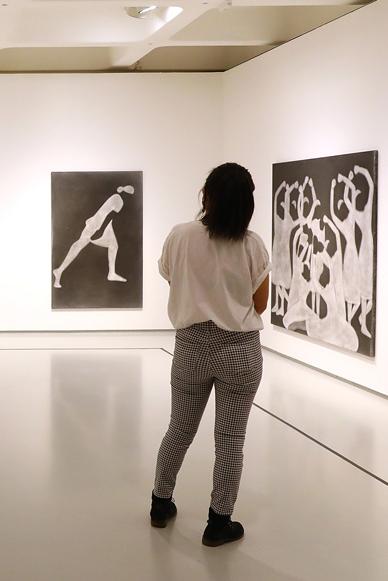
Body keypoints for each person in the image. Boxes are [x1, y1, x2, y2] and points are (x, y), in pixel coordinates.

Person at [150, 163, 271, 547]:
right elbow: (261, 304)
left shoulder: (180, 236)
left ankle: (160, 504)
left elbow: (171, 277)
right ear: (247, 204)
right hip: (238, 352)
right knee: (230, 440)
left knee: (179, 430)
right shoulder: (252, 245)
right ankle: (219, 523)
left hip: (190, 349)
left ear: (205, 195)